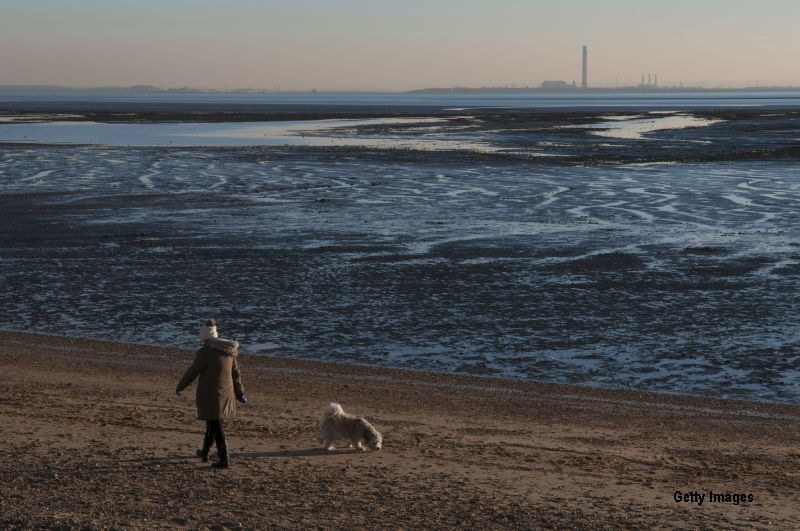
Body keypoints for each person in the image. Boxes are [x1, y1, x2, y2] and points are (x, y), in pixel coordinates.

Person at [176, 318, 247, 468]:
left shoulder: (204, 352)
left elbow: (192, 372)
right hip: (226, 394)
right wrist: (239, 392)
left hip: (211, 395)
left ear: (204, 336)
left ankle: (224, 459)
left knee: (215, 425)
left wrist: (180, 387)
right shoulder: (228, 350)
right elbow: (236, 373)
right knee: (212, 423)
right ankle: (205, 452)